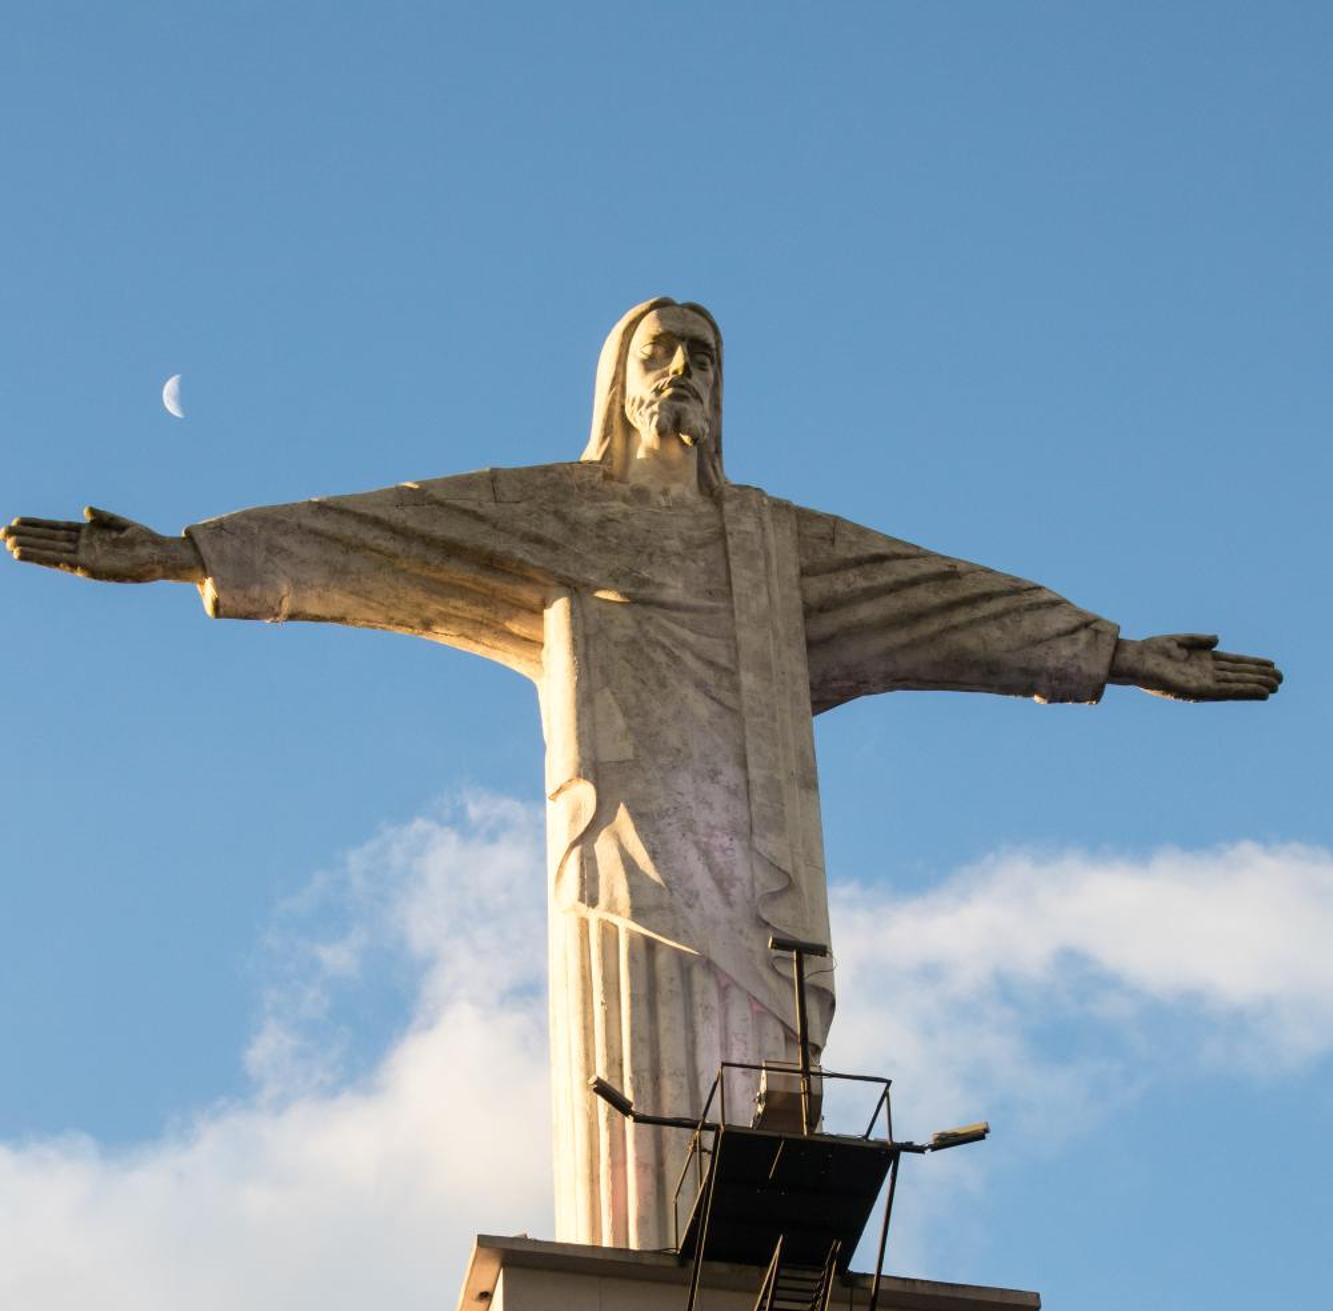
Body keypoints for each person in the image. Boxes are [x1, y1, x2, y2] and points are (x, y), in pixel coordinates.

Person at [3, 299, 1280, 1253]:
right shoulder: (559, 513)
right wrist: (192, 554)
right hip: (623, 850)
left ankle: (754, 1252)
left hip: (760, 853)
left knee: (772, 1081)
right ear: (616, 383)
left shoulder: (777, 544)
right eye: (657, 352)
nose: (682, 373)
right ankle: (632, 1272)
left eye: (702, 354)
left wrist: (1106, 652)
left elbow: (936, 598)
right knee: (638, 1093)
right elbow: (384, 534)